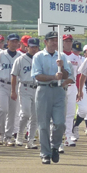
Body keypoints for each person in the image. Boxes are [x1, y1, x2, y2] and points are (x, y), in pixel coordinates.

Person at [31, 31, 71, 164]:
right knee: (43, 124)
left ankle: (55, 146)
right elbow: (37, 75)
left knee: (60, 123)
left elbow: (66, 75)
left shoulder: (62, 56)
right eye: (52, 40)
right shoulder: (38, 56)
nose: (54, 42)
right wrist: (53, 76)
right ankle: (45, 153)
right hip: (43, 90)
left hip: (59, 90)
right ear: (45, 42)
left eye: (56, 40)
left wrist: (62, 67)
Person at [11, 36, 39, 149]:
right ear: (27, 47)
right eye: (32, 47)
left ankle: (31, 140)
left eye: (36, 47)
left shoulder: (40, 58)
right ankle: (20, 135)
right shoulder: (20, 59)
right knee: (26, 113)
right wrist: (13, 91)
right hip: (25, 87)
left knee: (35, 116)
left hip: (37, 88)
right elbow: (14, 75)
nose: (34, 49)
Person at [0, 32, 22, 146]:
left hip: (15, 86)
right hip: (2, 84)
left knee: (12, 111)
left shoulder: (21, 56)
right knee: (3, 109)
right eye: (12, 41)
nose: (14, 43)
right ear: (8, 42)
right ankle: (0, 134)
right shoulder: (0, 55)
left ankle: (8, 136)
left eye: (16, 41)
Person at [62, 34, 82, 148]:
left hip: (72, 86)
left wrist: (79, 90)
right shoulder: (59, 55)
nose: (68, 43)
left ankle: (68, 136)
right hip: (61, 87)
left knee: (70, 113)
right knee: (60, 112)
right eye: (66, 41)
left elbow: (79, 75)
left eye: (70, 41)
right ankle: (57, 135)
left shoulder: (76, 57)